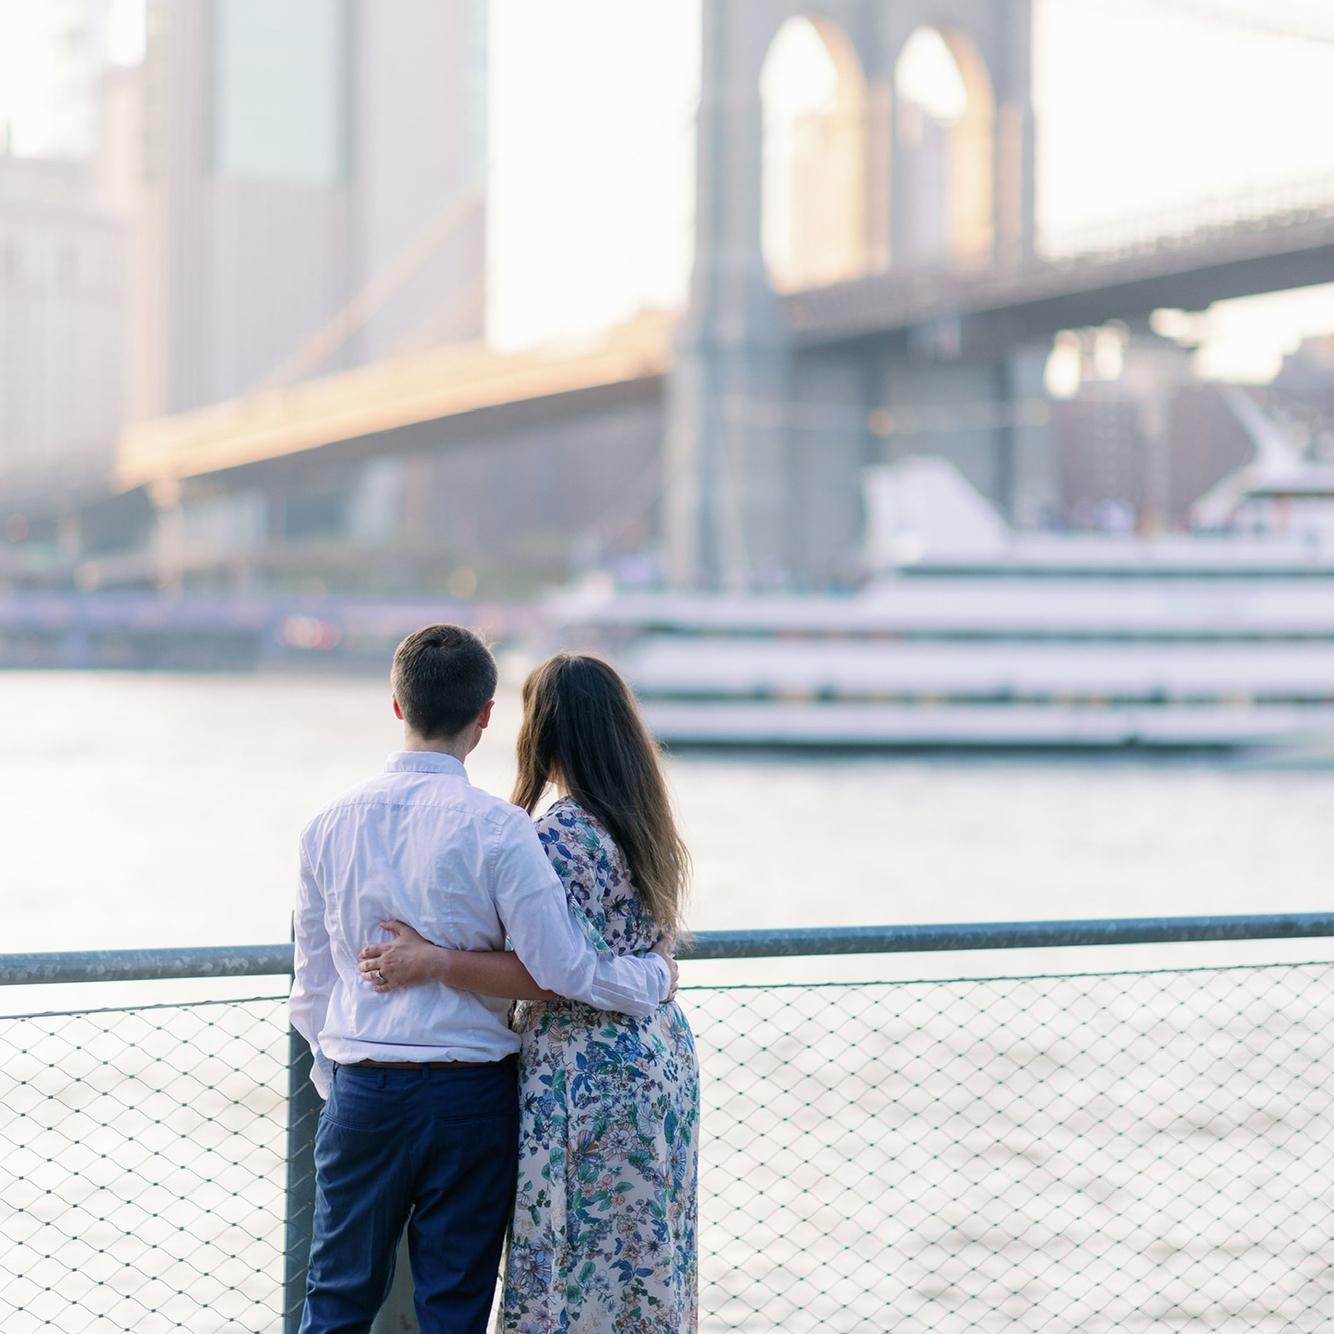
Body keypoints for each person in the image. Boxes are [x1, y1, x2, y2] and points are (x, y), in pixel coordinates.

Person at [290, 627, 677, 1334]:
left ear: (397, 706)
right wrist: (654, 976)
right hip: (469, 1094)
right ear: (487, 715)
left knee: (336, 1300)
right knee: (453, 1307)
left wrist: (339, 1081)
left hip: (363, 1088)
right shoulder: (503, 830)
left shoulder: (327, 825)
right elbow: (563, 969)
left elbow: (312, 989)